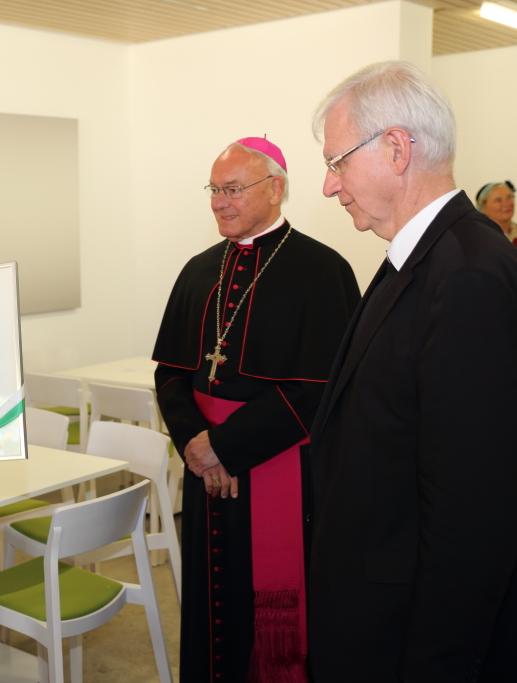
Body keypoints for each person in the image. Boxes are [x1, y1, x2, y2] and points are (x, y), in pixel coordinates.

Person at [309, 61, 517, 683]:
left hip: (409, 639)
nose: (328, 186)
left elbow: (474, 518)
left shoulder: (466, 276)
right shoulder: (422, 257)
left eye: (336, 163)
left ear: (396, 149)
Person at [153, 138, 360, 683]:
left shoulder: (322, 271)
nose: (219, 202)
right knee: (209, 607)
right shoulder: (199, 270)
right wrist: (195, 443)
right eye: (214, 190)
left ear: (275, 189)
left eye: (233, 189)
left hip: (278, 468)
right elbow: (170, 373)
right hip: (205, 473)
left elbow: (321, 390)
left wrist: (224, 446)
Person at [476, 180, 517, 255]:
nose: (507, 203)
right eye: (498, 200)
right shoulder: (478, 239)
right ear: (483, 208)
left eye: (509, 197)